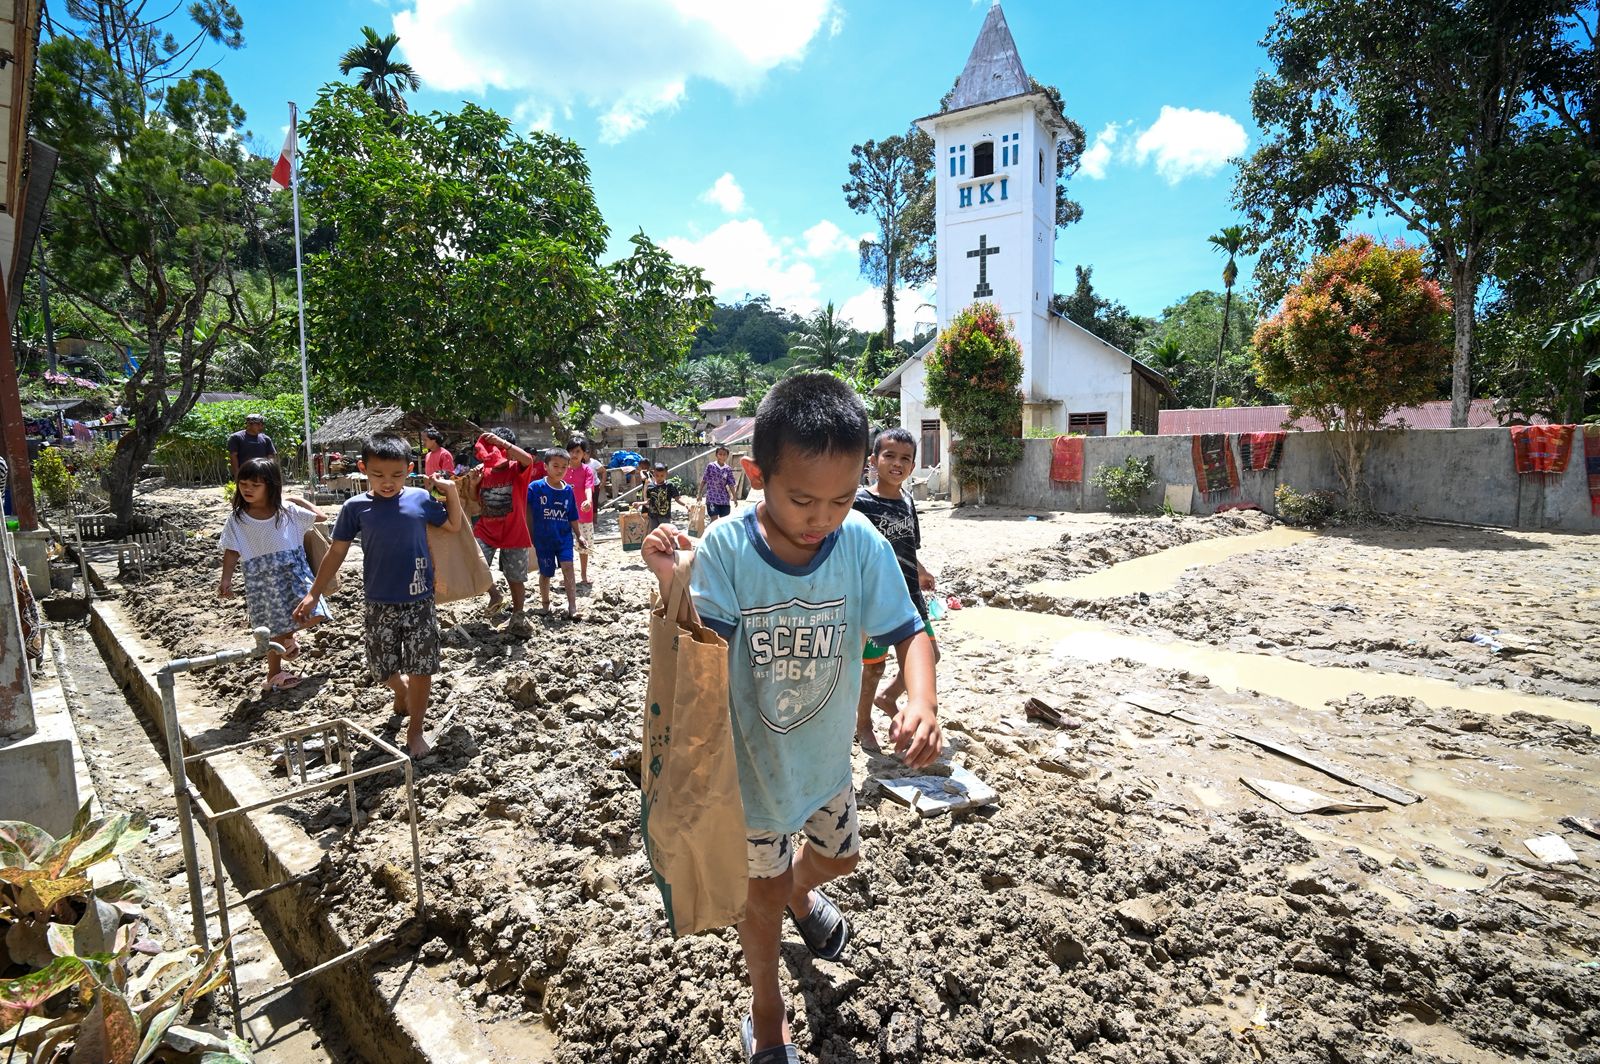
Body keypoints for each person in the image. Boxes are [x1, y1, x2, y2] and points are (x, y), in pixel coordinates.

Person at [641, 374, 941, 1062]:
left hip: (825, 762)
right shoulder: (727, 548)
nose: (821, 517)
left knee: (840, 858)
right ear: (757, 476)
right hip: (752, 773)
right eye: (802, 499)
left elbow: (910, 631)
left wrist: (921, 699)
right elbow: (703, 653)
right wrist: (674, 582)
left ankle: (800, 898)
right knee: (762, 890)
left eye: (840, 498)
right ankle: (767, 1009)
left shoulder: (859, 540)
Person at [294, 433, 463, 758]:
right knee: (381, 667)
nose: (388, 482)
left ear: (409, 469)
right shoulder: (355, 507)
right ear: (363, 469)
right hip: (378, 601)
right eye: (378, 474)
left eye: (397, 475)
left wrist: (452, 492)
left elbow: (453, 525)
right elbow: (336, 552)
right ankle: (400, 690)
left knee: (422, 666)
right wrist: (314, 593)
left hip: (419, 599)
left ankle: (415, 730)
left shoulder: (419, 499)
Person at [852, 428, 940, 751]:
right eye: (889, 456)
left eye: (905, 458)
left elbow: (908, 547)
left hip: (909, 596)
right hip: (874, 598)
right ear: (873, 461)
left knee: (931, 654)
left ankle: (888, 696)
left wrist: (922, 571)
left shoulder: (908, 502)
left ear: (913, 466)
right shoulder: (860, 503)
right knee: (873, 666)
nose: (897, 463)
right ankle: (863, 724)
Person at [217, 458, 329, 693]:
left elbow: (321, 517)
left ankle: (287, 639)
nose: (247, 489)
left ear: (271, 486)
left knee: (315, 613)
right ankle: (274, 673)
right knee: (273, 628)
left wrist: (297, 499)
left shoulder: (287, 511)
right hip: (262, 581)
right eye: (243, 484)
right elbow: (232, 550)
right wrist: (226, 579)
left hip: (293, 573)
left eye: (255, 485)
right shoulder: (238, 519)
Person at [470, 428, 541, 621]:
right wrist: (474, 483)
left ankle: (518, 614)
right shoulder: (484, 471)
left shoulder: (517, 469)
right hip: (486, 530)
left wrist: (502, 443)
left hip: (514, 532)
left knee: (515, 578)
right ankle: (495, 595)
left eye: (498, 448)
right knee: (474, 563)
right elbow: (476, 500)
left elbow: (528, 460)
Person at [529, 448, 582, 619]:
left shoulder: (568, 491)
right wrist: (529, 534)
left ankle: (572, 607)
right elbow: (526, 510)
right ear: (546, 466)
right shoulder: (535, 488)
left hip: (564, 538)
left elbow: (572, 515)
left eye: (564, 467)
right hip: (543, 539)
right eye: (556, 466)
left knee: (568, 568)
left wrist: (579, 535)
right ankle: (545, 604)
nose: (560, 470)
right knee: (545, 573)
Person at [564, 437, 598, 585]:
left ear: (584, 453)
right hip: (563, 514)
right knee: (565, 546)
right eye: (571, 451)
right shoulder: (562, 468)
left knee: (584, 546)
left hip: (583, 513)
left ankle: (583, 575)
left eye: (578, 451)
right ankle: (567, 575)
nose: (574, 454)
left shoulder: (587, 470)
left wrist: (588, 501)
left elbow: (588, 487)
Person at [227, 413, 276, 480]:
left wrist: (270, 472)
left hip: (262, 475)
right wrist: (237, 474)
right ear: (249, 424)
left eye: (262, 424)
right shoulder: (236, 437)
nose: (261, 427)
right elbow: (233, 456)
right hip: (244, 474)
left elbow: (271, 457)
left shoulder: (266, 439)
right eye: (258, 424)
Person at [699, 445, 739, 524]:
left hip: (724, 499)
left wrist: (734, 497)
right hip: (712, 497)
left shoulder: (728, 469)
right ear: (716, 455)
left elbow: (731, 484)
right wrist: (699, 493)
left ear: (727, 456)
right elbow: (704, 480)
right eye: (720, 454)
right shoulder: (711, 466)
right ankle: (712, 531)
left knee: (724, 521)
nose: (722, 456)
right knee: (714, 520)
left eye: (724, 454)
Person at [642, 462, 682, 531]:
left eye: (662, 475)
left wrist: (685, 505)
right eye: (657, 475)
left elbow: (677, 498)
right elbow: (649, 501)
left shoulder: (669, 485)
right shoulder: (650, 486)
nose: (659, 478)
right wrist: (639, 503)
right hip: (653, 517)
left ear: (666, 474)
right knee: (654, 533)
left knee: (666, 533)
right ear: (653, 473)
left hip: (665, 516)